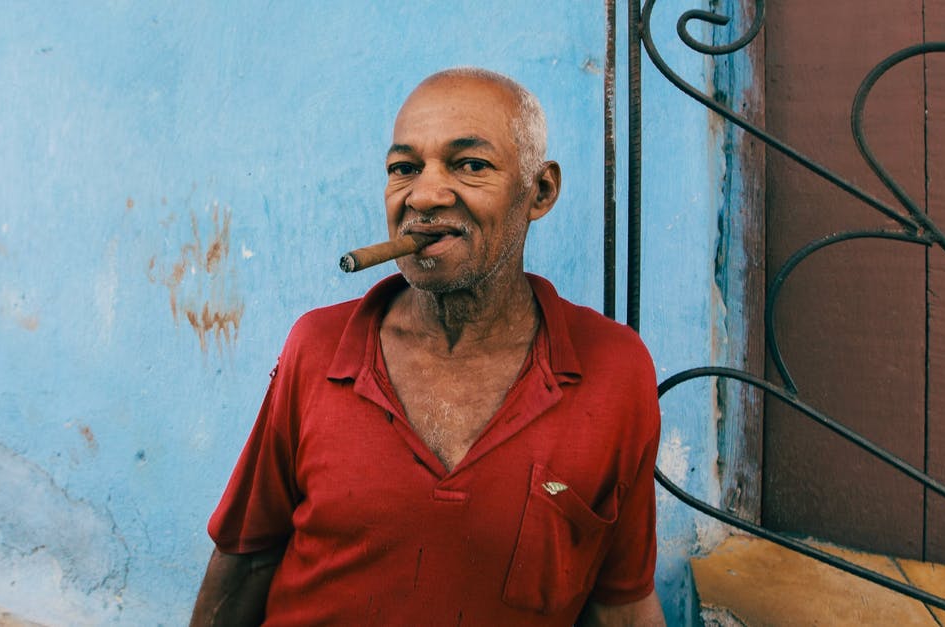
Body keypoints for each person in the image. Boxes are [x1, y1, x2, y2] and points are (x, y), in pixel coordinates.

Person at [191, 67, 664, 626]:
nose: (426, 194)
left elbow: (621, 602)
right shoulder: (318, 349)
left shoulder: (613, 369)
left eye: (471, 165)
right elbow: (245, 562)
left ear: (540, 191)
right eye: (404, 169)